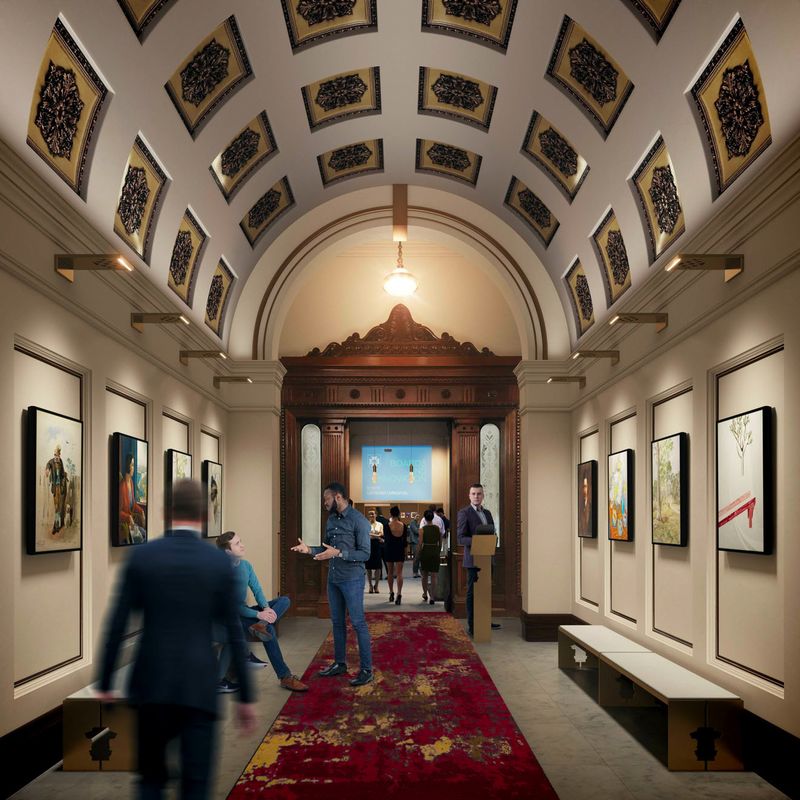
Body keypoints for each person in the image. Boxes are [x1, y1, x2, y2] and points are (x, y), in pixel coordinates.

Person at [97, 479, 256, 800]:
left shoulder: (142, 557)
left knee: (150, 781)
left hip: (150, 686)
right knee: (195, 786)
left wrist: (105, 683)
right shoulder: (217, 563)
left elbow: (116, 623)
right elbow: (235, 632)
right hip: (198, 687)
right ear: (202, 513)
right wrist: (246, 698)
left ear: (167, 512)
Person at [291, 482, 373, 686]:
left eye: (326, 498)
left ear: (338, 497)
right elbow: (326, 548)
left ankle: (366, 670)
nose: (324, 502)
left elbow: (365, 554)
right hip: (334, 579)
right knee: (336, 623)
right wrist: (309, 550)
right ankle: (340, 664)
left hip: (352, 579)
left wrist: (339, 553)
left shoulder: (359, 521)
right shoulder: (331, 520)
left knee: (358, 623)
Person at [215, 531, 308, 693]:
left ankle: (260, 626)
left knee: (284, 600)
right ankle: (285, 677)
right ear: (227, 551)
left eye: (240, 541)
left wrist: (265, 608)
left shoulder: (246, 566)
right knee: (270, 630)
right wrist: (258, 615)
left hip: (246, 613)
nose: (242, 545)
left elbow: (257, 589)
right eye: (237, 544)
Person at [457, 483, 501, 637]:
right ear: (469, 496)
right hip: (473, 560)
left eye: (479, 494)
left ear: (483, 496)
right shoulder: (464, 513)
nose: (476, 496)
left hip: (487, 559)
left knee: (485, 591)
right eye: (473, 494)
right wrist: (477, 542)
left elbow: (492, 533)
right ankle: (472, 625)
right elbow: (461, 538)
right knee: (472, 593)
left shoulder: (487, 513)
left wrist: (491, 541)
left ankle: (484, 620)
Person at [120, 452, 146, 545]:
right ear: (127, 466)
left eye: (134, 465)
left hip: (132, 523)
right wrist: (128, 517)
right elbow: (118, 512)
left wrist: (141, 511)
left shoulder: (130, 482)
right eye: (132, 465)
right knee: (143, 535)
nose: (133, 468)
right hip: (126, 525)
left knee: (144, 534)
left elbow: (133, 504)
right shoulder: (122, 486)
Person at [384, 506, 408, 605]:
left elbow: (386, 540)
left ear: (390, 514)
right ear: (399, 514)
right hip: (400, 550)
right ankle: (399, 593)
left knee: (390, 573)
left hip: (389, 549)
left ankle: (391, 592)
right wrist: (405, 552)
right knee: (399, 573)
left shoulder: (387, 525)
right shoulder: (404, 525)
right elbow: (405, 541)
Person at [419, 509, 443, 605]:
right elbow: (440, 542)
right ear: (433, 517)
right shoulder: (437, 528)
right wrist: (438, 551)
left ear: (425, 518)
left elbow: (420, 543)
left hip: (425, 551)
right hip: (434, 551)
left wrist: (418, 554)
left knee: (424, 575)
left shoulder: (422, 529)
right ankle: (432, 596)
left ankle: (425, 594)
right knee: (434, 576)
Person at [45, 444, 68, 534]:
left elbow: (62, 473)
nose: (55, 456)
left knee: (59, 506)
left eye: (56, 455)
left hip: (60, 487)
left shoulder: (61, 461)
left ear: (59, 454)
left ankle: (57, 526)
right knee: (57, 506)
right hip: (55, 488)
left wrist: (64, 477)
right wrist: (47, 470)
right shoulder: (51, 462)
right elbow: (48, 465)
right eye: (54, 455)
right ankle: (56, 526)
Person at [365, 509, 384, 593]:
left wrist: (373, 535)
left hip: (377, 546)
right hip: (368, 545)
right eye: (370, 514)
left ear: (376, 515)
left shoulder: (380, 524)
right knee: (368, 567)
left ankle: (376, 586)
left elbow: (381, 534)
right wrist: (377, 536)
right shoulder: (365, 524)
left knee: (378, 567)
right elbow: (365, 534)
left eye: (373, 514)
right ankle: (370, 586)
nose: (371, 516)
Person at [407, 512, 420, 577]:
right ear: (414, 517)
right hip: (415, 542)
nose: (418, 518)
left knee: (418, 557)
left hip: (418, 542)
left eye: (418, 516)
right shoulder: (412, 523)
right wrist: (421, 530)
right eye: (417, 516)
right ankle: (415, 572)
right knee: (416, 557)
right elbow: (416, 531)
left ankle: (417, 572)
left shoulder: (418, 523)